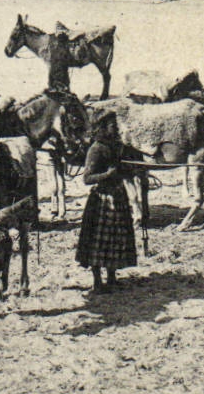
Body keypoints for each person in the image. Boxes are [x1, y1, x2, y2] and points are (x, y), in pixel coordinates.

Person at [77, 108, 138, 293]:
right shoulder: (96, 149)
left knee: (115, 240)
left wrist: (130, 170)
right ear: (102, 127)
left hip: (118, 197)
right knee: (98, 243)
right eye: (113, 125)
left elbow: (122, 169)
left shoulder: (116, 147)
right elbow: (87, 178)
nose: (116, 128)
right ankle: (97, 282)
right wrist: (108, 174)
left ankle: (111, 278)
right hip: (102, 200)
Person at [44, 24, 74, 94]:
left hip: (59, 75)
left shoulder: (59, 48)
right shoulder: (57, 49)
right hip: (58, 76)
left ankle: (60, 90)